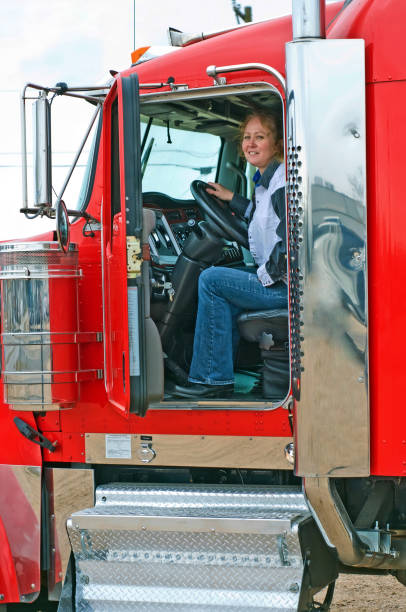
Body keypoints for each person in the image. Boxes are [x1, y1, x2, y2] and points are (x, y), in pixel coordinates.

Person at [174, 110, 288, 398]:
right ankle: (223, 373)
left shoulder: (282, 184)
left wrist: (265, 275)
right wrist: (230, 198)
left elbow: (292, 240)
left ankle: (212, 379)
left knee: (212, 280)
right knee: (224, 283)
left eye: (259, 137)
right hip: (281, 280)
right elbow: (260, 217)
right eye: (247, 138)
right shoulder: (266, 182)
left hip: (287, 287)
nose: (251, 144)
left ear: (276, 144)